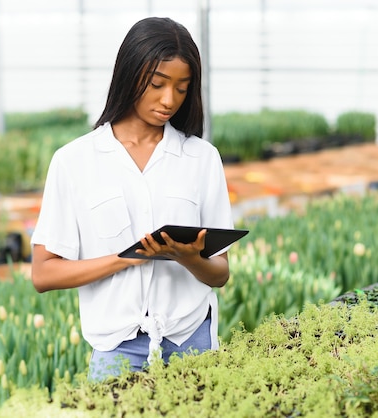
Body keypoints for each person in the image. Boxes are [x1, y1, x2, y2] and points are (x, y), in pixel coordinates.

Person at [30, 17, 234, 382]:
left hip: (192, 341)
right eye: (157, 84)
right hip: (117, 349)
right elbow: (44, 272)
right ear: (130, 74)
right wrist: (127, 258)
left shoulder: (202, 159)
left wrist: (189, 258)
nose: (169, 100)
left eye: (182, 88)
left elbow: (220, 273)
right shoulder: (74, 161)